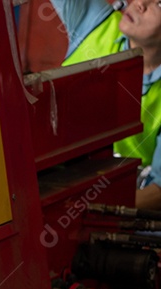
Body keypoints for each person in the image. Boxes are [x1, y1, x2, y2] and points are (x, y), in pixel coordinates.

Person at [53, 0, 161, 209]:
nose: (140, 3)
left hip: (110, 201)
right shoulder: (94, 21)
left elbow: (158, 191)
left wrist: (88, 210)